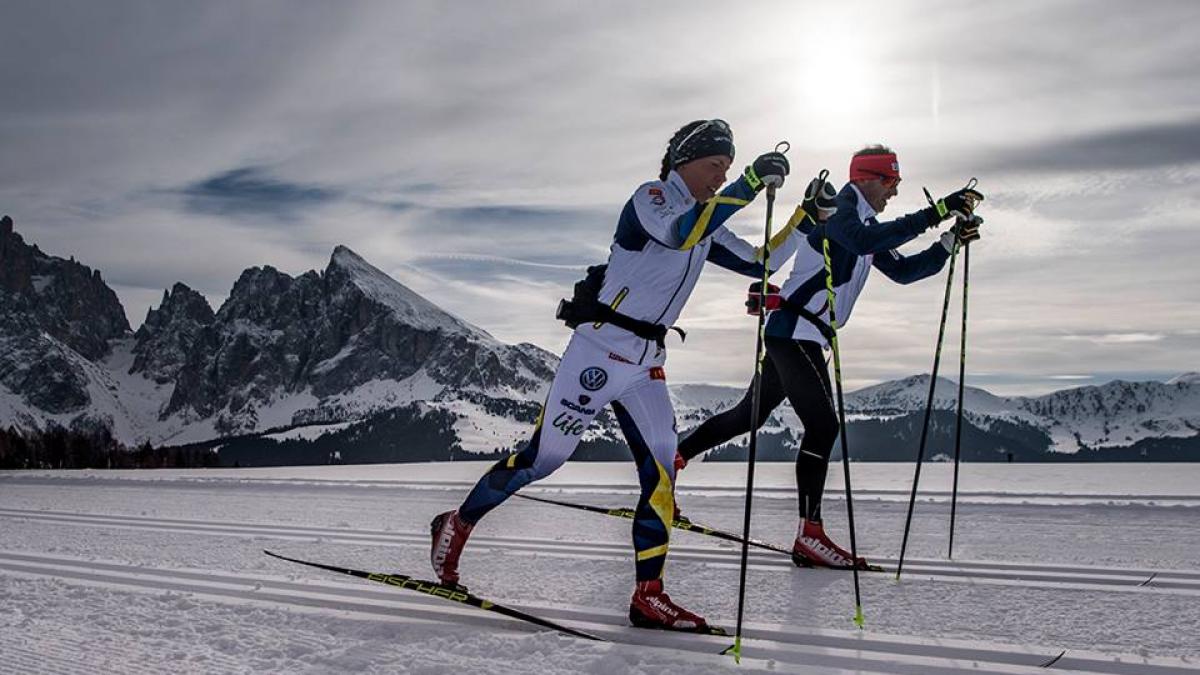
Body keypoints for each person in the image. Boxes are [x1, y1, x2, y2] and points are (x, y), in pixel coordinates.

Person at [430, 119, 803, 632]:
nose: (721, 177)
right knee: (543, 460)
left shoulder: (707, 219)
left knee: (661, 473)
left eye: (728, 170)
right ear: (684, 163)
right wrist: (750, 184)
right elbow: (681, 232)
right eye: (715, 166)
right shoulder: (651, 199)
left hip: (646, 363)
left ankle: (649, 595)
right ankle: (457, 523)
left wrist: (809, 216)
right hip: (599, 352)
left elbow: (762, 261)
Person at [674, 144, 983, 569]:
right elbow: (863, 240)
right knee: (823, 425)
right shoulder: (839, 210)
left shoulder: (865, 222)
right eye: (891, 182)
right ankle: (810, 534)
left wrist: (948, 242)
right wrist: (937, 212)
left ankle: (669, 464)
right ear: (868, 178)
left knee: (750, 415)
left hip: (800, 335)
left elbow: (905, 272)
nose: (893, 192)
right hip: (795, 333)